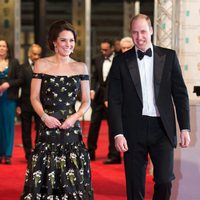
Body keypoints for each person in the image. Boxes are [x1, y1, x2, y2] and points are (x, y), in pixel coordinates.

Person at [108, 14, 191, 200]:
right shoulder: (121, 61)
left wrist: (185, 127)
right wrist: (118, 133)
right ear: (131, 33)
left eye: (143, 31)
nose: (139, 37)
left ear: (151, 30)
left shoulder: (168, 56)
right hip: (133, 129)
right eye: (135, 33)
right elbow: (114, 100)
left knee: (164, 180)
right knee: (135, 183)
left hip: (162, 129)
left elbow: (180, 94)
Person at [21, 20, 93, 199]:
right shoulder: (41, 65)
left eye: (71, 40)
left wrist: (74, 117)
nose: (68, 45)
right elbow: (34, 97)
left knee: (72, 169)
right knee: (46, 169)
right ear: (54, 42)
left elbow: (85, 101)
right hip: (48, 126)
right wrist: (45, 117)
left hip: (71, 127)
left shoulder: (80, 67)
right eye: (63, 40)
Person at [87, 39, 121, 164]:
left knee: (113, 126)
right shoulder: (97, 59)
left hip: (113, 96)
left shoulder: (119, 59)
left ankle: (114, 155)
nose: (103, 52)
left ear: (112, 48)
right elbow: (95, 76)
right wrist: (91, 89)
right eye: (102, 49)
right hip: (99, 96)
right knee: (94, 124)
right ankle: (90, 152)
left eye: (106, 49)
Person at [17, 44, 42, 161]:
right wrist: (18, 105)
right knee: (25, 130)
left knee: (40, 129)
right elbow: (18, 87)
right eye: (35, 54)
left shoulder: (43, 67)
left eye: (38, 54)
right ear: (29, 54)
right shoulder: (22, 68)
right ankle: (28, 153)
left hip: (40, 104)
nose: (37, 57)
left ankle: (37, 151)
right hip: (25, 103)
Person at [0, 39, 21, 164]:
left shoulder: (14, 62)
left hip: (9, 98)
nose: (1, 48)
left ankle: (7, 154)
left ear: (7, 48)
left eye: (4, 46)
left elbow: (20, 79)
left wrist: (9, 83)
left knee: (8, 126)